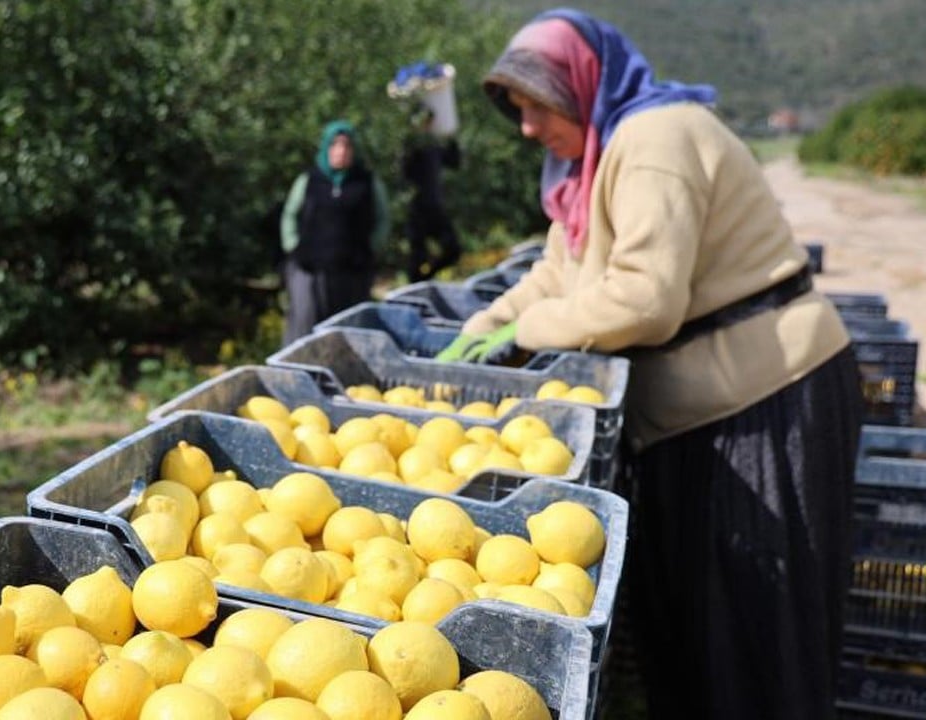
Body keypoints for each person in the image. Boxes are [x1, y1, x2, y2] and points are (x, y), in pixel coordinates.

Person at [439, 9, 862, 720]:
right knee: (703, 630)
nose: (527, 129)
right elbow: (557, 273)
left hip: (763, 398)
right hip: (697, 412)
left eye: (537, 106)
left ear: (578, 86)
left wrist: (526, 332)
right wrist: (479, 329)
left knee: (757, 622)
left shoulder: (655, 139)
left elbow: (647, 299)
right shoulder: (596, 160)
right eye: (519, 111)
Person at [279, 120, 390, 344]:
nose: (341, 151)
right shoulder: (309, 180)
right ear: (326, 148)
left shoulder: (366, 182)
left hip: (352, 271)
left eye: (347, 146)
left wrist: (372, 247)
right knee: (303, 328)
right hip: (310, 269)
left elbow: (383, 218)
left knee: (347, 330)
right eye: (335, 145)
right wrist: (293, 246)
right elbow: (289, 214)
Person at [401, 104, 462, 282]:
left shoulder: (433, 148)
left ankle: (427, 278)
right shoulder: (412, 148)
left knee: (453, 249)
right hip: (416, 211)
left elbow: (454, 162)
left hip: (435, 207)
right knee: (416, 258)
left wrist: (451, 137)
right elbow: (404, 173)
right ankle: (415, 289)